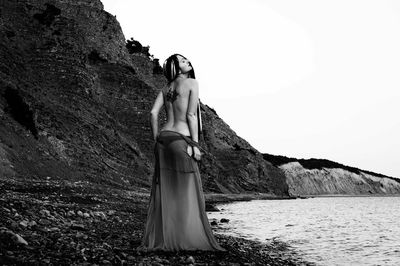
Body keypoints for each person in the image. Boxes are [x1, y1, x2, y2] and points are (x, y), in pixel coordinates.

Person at [139, 54, 226, 252]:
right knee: (186, 190)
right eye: (183, 61)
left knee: (168, 190)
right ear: (175, 68)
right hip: (181, 140)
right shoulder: (192, 83)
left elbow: (153, 114)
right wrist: (195, 145)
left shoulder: (165, 88)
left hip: (164, 139)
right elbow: (191, 114)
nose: (188, 62)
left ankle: (168, 237)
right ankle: (185, 238)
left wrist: (156, 140)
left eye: (187, 59)